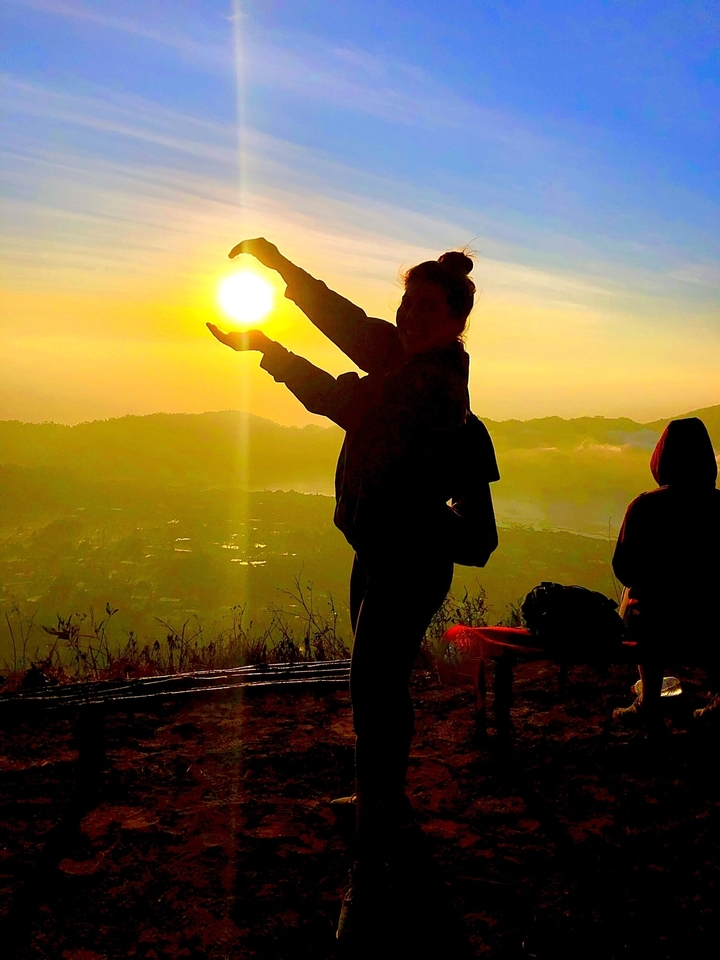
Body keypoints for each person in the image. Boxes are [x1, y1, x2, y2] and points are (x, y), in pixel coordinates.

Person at [208, 238, 499, 939]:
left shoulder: (430, 384)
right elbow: (348, 321)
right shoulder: (407, 357)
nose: (410, 316)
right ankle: (383, 801)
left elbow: (344, 400)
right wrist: (283, 270)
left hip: (408, 562)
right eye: (407, 303)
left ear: (456, 320)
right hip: (378, 552)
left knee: (374, 690)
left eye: (428, 308)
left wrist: (269, 350)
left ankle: (369, 870)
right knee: (378, 689)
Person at [612, 417, 720, 727]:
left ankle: (649, 701)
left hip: (657, 626)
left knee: (636, 593)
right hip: (713, 623)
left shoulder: (645, 507)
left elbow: (625, 569)